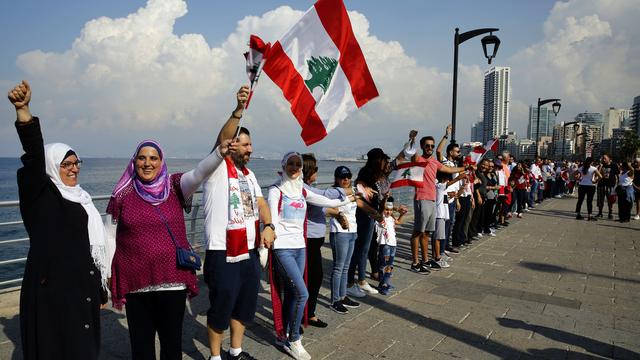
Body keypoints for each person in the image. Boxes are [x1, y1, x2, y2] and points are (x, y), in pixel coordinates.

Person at [107, 111, 239, 358]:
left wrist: (220, 153)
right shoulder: (122, 194)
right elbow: (109, 235)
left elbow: (200, 172)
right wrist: (107, 274)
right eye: (142, 158)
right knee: (141, 347)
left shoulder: (175, 185)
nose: (148, 163)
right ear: (133, 161)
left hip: (172, 281)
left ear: (161, 161)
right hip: (137, 285)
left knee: (171, 345)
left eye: (154, 158)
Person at [10, 80, 115, 360]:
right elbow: (33, 157)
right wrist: (24, 112)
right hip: (52, 295)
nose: (73, 169)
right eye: (65, 164)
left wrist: (99, 288)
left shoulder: (82, 197)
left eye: (76, 162)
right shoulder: (40, 195)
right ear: (52, 167)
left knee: (84, 349)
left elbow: (91, 248)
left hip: (82, 293)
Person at [200, 86, 275, 360]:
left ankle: (236, 351)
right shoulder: (217, 167)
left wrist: (269, 226)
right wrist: (238, 110)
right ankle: (216, 357)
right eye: (245, 144)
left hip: (250, 251)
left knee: (244, 305)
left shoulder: (250, 174)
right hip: (223, 252)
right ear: (232, 145)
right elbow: (223, 137)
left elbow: (262, 203)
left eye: (251, 145)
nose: (250, 149)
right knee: (221, 306)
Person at [269, 152, 355, 360]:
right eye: (291, 163)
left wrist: (350, 197)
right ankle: (295, 340)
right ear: (284, 165)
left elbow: (326, 201)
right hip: (282, 249)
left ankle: (288, 334)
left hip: (301, 248)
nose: (294, 167)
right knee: (302, 294)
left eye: (298, 164)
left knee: (292, 294)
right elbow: (270, 222)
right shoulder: (276, 190)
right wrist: (266, 247)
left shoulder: (301, 190)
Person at [398, 125, 466, 273]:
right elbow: (409, 151)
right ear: (422, 146)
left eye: (432, 146)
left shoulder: (435, 162)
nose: (430, 148)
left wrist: (464, 169)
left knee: (427, 232)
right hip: (421, 198)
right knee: (418, 231)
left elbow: (448, 170)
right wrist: (412, 139)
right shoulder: (418, 159)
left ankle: (426, 260)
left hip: (432, 200)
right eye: (427, 146)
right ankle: (415, 263)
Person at [325, 166, 382, 310]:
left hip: (352, 233)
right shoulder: (334, 194)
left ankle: (343, 296)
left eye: (348, 177)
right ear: (336, 179)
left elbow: (362, 205)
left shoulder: (352, 194)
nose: (346, 180)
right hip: (339, 233)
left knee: (345, 267)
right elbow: (326, 209)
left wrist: (379, 215)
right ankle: (335, 301)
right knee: (338, 268)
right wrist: (338, 215)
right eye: (342, 177)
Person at [301, 153, 347, 327]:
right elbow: (327, 196)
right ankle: (301, 316)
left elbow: (322, 208)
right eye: (315, 169)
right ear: (308, 170)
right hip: (308, 240)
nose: (317, 173)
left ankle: (310, 313)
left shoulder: (309, 187)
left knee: (315, 278)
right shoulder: (304, 188)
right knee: (308, 279)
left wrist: (338, 213)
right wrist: (353, 190)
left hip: (316, 241)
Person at [375, 198, 406, 295]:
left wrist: (401, 214)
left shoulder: (391, 218)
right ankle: (383, 284)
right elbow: (380, 208)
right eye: (386, 209)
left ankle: (385, 282)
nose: (388, 212)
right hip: (385, 245)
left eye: (390, 210)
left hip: (393, 244)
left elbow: (399, 222)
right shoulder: (380, 218)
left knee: (390, 265)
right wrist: (385, 197)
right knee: (384, 265)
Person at [596, 154, 619, 219]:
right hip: (601, 185)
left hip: (610, 185)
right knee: (600, 200)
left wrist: (618, 184)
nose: (603, 159)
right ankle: (600, 213)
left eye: (605, 158)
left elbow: (617, 175)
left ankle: (610, 213)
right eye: (603, 158)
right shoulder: (600, 165)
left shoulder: (614, 165)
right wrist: (600, 166)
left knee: (610, 200)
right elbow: (597, 174)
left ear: (609, 159)